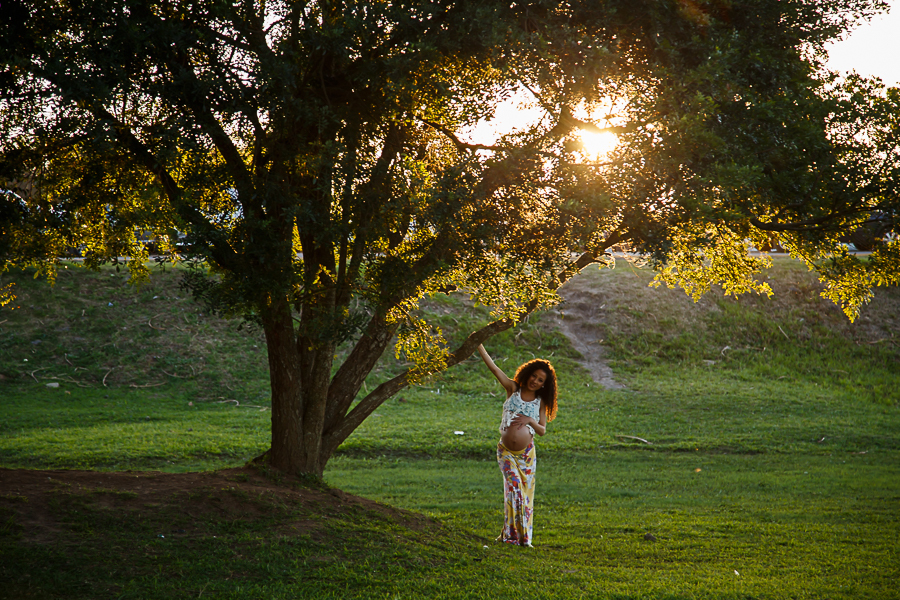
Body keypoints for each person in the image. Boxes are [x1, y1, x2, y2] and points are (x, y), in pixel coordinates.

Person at [477, 343, 558, 547]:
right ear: (528, 373)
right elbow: (495, 369)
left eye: (540, 380)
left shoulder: (540, 402)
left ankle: (519, 537)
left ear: (543, 385)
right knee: (513, 488)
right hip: (505, 452)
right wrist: (479, 345)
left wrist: (529, 420)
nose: (535, 381)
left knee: (523, 495)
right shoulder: (512, 388)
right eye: (534, 376)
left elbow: (542, 430)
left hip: (526, 455)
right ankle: (512, 536)